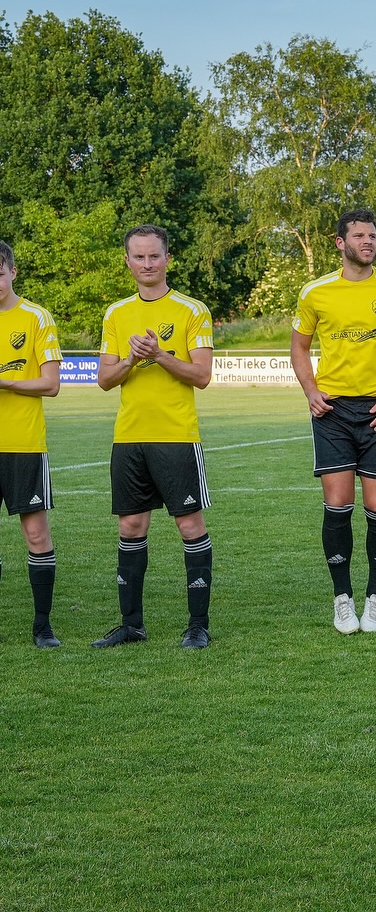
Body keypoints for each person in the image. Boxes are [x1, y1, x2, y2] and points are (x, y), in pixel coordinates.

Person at [291, 210, 376, 635]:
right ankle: (342, 598)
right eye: (360, 235)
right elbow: (298, 347)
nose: (368, 241)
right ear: (340, 242)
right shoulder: (315, 292)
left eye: (373, 236)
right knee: (338, 507)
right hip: (332, 412)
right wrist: (311, 391)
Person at [92, 225, 216, 650]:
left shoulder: (192, 310)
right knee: (130, 525)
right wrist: (132, 358)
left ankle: (198, 626)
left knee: (189, 524)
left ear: (168, 259)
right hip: (129, 437)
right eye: (139, 257)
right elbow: (104, 379)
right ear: (127, 261)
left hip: (176, 436)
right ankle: (131, 625)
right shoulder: (116, 313)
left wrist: (160, 355)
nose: (147, 264)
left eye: (154, 256)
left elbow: (202, 375)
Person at [0, 240, 63, 648]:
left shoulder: (36, 317)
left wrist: (6, 382)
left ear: (12, 272)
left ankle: (43, 627)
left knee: (36, 535)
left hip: (23, 443)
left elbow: (51, 384)